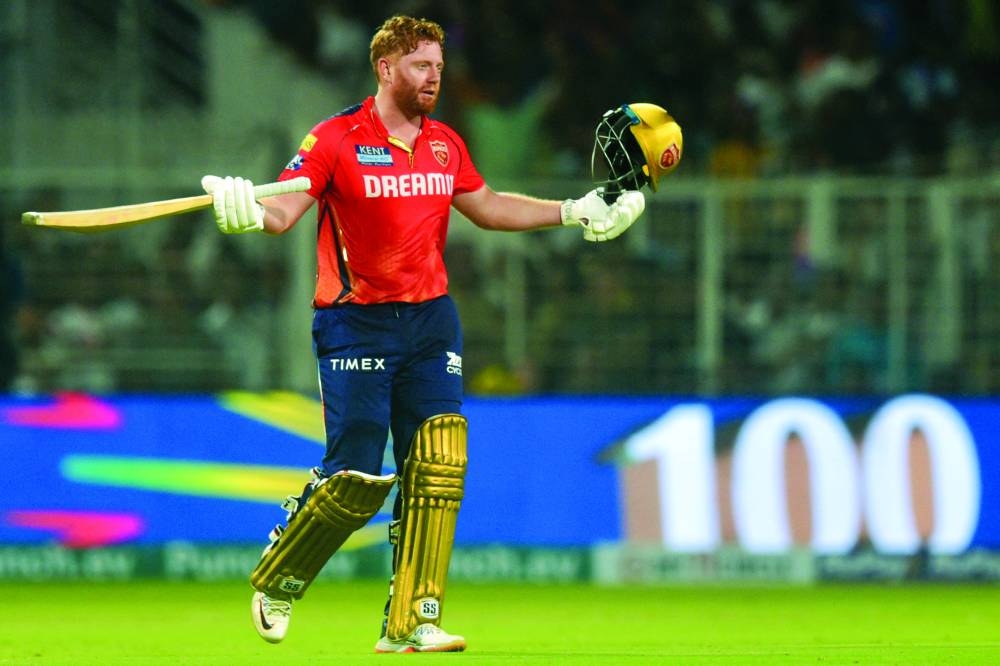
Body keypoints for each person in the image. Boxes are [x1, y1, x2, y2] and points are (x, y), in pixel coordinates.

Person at [201, 15, 645, 653]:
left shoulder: (444, 144)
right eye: (420, 66)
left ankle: (413, 619)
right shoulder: (332, 139)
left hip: (431, 319)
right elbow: (280, 213)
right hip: (356, 322)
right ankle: (281, 576)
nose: (434, 76)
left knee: (438, 465)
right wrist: (241, 210)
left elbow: (487, 206)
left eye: (437, 65)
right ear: (385, 69)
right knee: (355, 478)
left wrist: (573, 210)